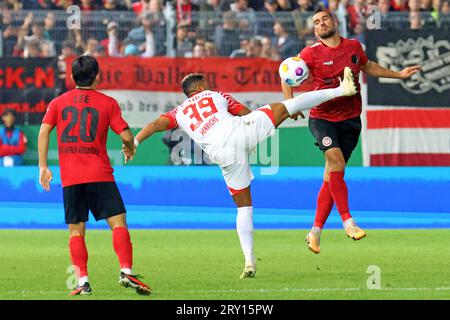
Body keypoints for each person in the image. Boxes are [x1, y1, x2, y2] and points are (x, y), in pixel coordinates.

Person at [122, 68, 358, 278]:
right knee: (288, 105)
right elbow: (245, 113)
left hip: (222, 155)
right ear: (201, 87)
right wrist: (274, 119)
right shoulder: (217, 95)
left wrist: (136, 143)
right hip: (239, 132)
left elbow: (153, 125)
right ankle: (341, 89)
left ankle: (249, 262)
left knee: (244, 207)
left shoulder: (179, 112)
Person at [281, 9, 421, 254]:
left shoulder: (353, 46)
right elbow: (286, 76)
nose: (321, 23)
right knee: (335, 161)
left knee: (332, 175)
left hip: (351, 121)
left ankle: (314, 232)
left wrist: (397, 75)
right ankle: (348, 221)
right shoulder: (310, 54)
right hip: (322, 119)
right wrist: (291, 105)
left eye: (324, 19)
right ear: (314, 30)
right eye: (316, 22)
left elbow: (368, 66)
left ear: (334, 21)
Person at [38, 55, 151, 296]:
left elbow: (44, 130)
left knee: (76, 231)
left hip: (71, 178)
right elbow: (126, 134)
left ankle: (83, 281)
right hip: (100, 174)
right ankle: (126, 270)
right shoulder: (107, 102)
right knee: (118, 224)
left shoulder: (58, 102)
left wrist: (43, 166)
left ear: (71, 77)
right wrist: (129, 148)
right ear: (97, 76)